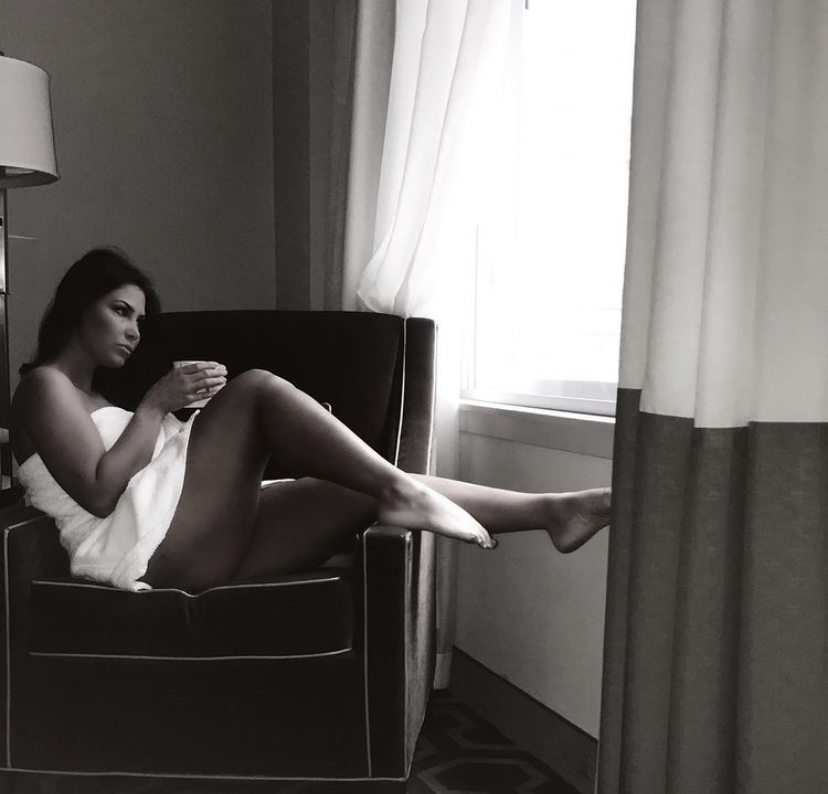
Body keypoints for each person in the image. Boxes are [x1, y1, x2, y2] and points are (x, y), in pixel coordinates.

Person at [10, 247, 612, 593]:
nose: (134, 331)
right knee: (256, 389)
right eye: (120, 311)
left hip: (185, 538)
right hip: (139, 553)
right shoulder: (44, 386)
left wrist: (229, 434)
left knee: (351, 485)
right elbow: (99, 492)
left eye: (139, 320)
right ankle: (400, 491)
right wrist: (156, 405)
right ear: (78, 307)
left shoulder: (97, 396)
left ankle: (552, 511)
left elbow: (153, 472)